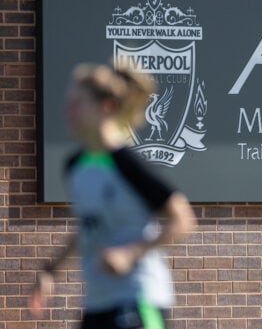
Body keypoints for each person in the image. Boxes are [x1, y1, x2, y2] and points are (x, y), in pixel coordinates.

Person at [29, 63, 196, 329]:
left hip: (139, 299)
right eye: (68, 103)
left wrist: (129, 254)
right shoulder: (75, 167)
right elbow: (88, 228)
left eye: (77, 104)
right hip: (97, 304)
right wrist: (51, 270)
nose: (67, 112)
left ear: (106, 107)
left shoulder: (127, 164)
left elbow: (183, 220)